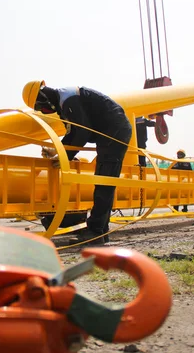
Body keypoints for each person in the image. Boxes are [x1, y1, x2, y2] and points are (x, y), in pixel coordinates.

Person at [22, 80, 132, 244]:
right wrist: (57, 150)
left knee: (104, 181)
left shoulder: (69, 99)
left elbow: (82, 132)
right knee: (103, 181)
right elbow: (72, 133)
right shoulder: (64, 103)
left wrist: (65, 155)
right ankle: (100, 231)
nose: (44, 111)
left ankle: (96, 231)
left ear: (43, 97)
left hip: (114, 131)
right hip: (112, 131)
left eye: (41, 108)